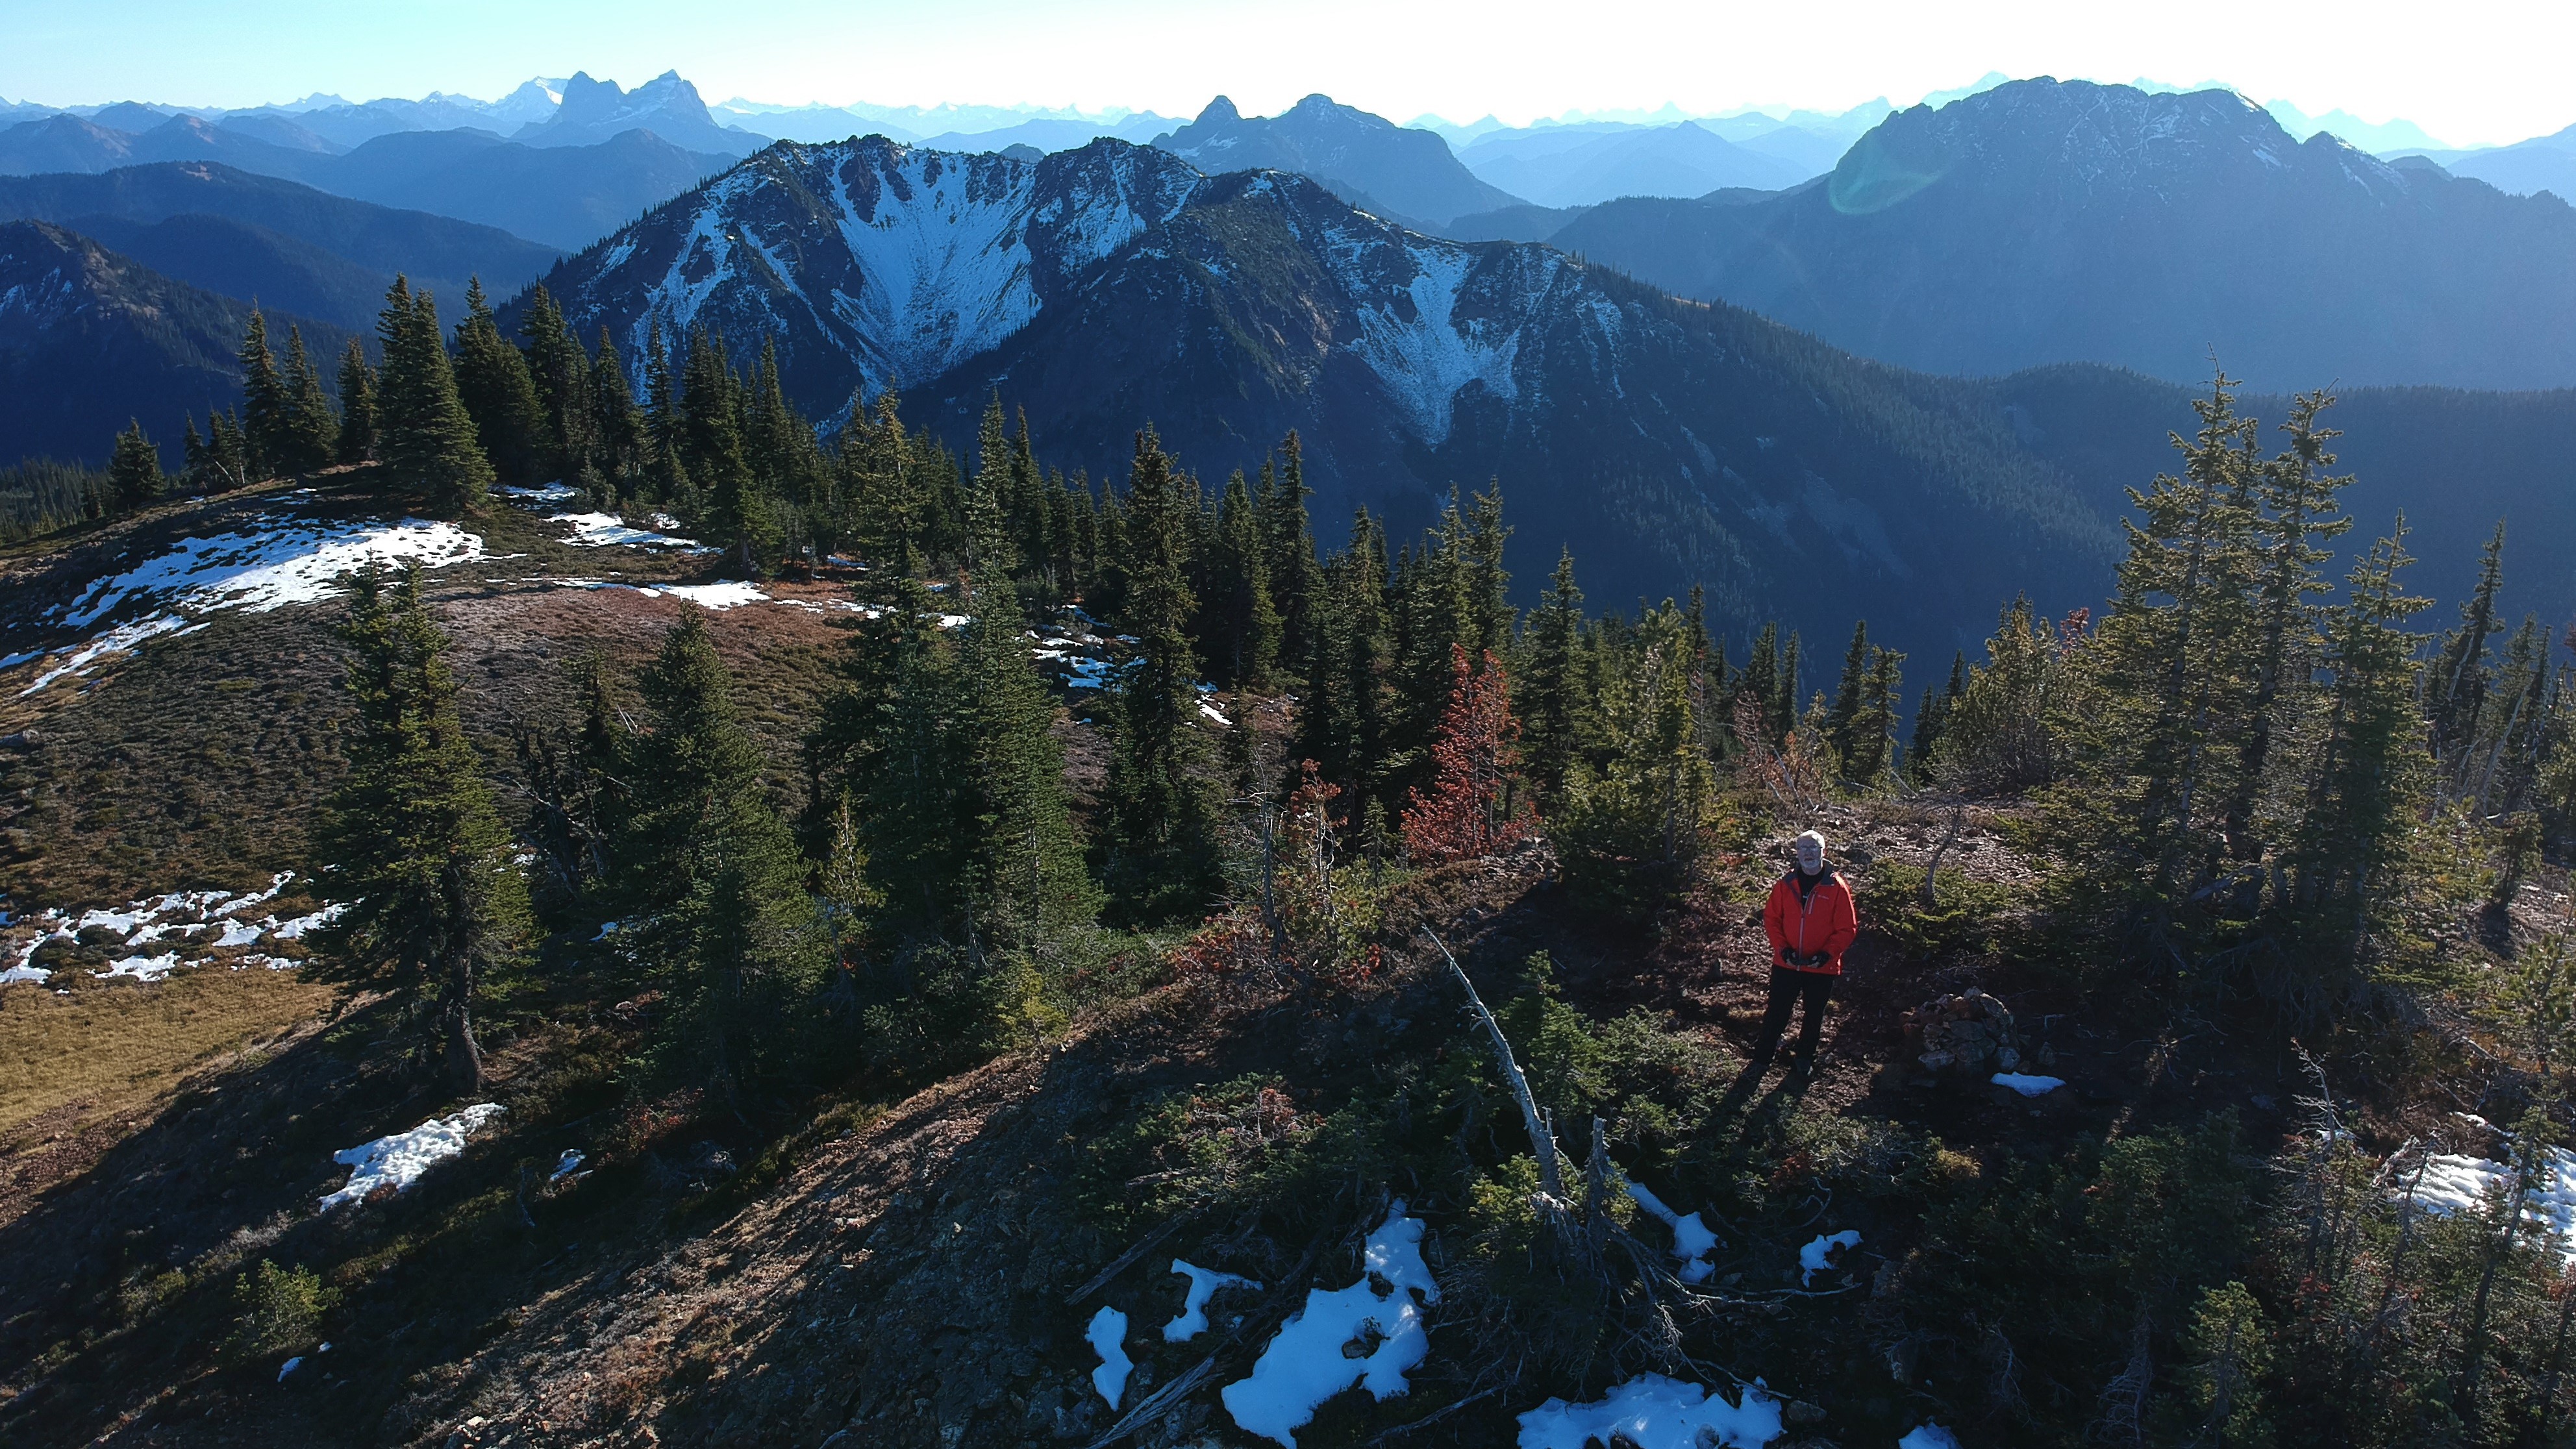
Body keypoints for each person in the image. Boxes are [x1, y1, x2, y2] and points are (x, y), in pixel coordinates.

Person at [1749, 829, 1858, 1081]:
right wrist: (1782, 949)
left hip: (1822, 968)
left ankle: (1803, 1060)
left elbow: (1847, 928)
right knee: (1776, 1013)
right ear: (1796, 853)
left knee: (1813, 1017)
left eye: (1814, 848)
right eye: (1803, 848)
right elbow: (1772, 919)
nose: (1808, 853)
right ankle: (1761, 1059)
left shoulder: (1837, 887)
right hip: (1786, 965)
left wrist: (1827, 955)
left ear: (1824, 852)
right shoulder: (1785, 885)